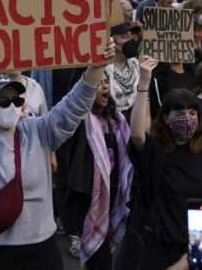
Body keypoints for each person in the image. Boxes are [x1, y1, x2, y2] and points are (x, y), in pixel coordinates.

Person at [0, 41, 117, 269]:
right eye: (4, 101)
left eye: (17, 100)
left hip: (40, 249)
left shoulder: (38, 130)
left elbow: (73, 106)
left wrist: (95, 69)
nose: (12, 106)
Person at [119, 64, 202, 270]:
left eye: (192, 113)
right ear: (165, 117)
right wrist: (144, 82)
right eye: (180, 112)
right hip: (158, 244)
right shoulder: (155, 152)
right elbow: (137, 134)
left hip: (200, 240)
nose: (187, 118)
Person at [56, 73, 134, 269]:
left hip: (112, 197)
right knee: (99, 259)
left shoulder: (117, 121)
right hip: (87, 200)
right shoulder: (78, 121)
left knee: (102, 255)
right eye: (98, 84)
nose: (104, 87)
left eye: (106, 82)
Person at [106, 23, 141, 117]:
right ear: (111, 41)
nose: (131, 40)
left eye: (132, 35)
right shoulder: (102, 70)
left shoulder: (137, 66)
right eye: (124, 36)